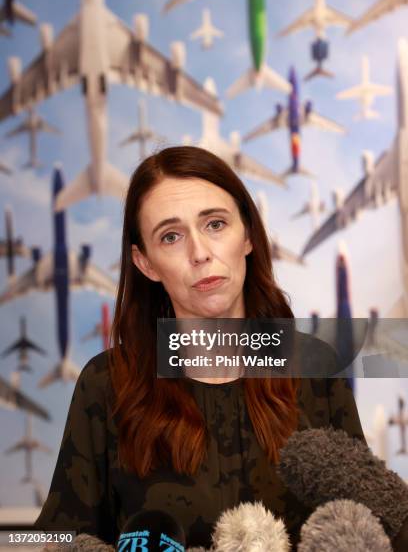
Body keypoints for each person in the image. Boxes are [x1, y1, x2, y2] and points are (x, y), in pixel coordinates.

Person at [34, 146, 366, 549]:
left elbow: (374, 524)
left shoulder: (314, 366)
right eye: (171, 236)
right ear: (146, 263)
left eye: (215, 224)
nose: (200, 253)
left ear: (247, 236)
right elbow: (56, 536)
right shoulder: (106, 384)